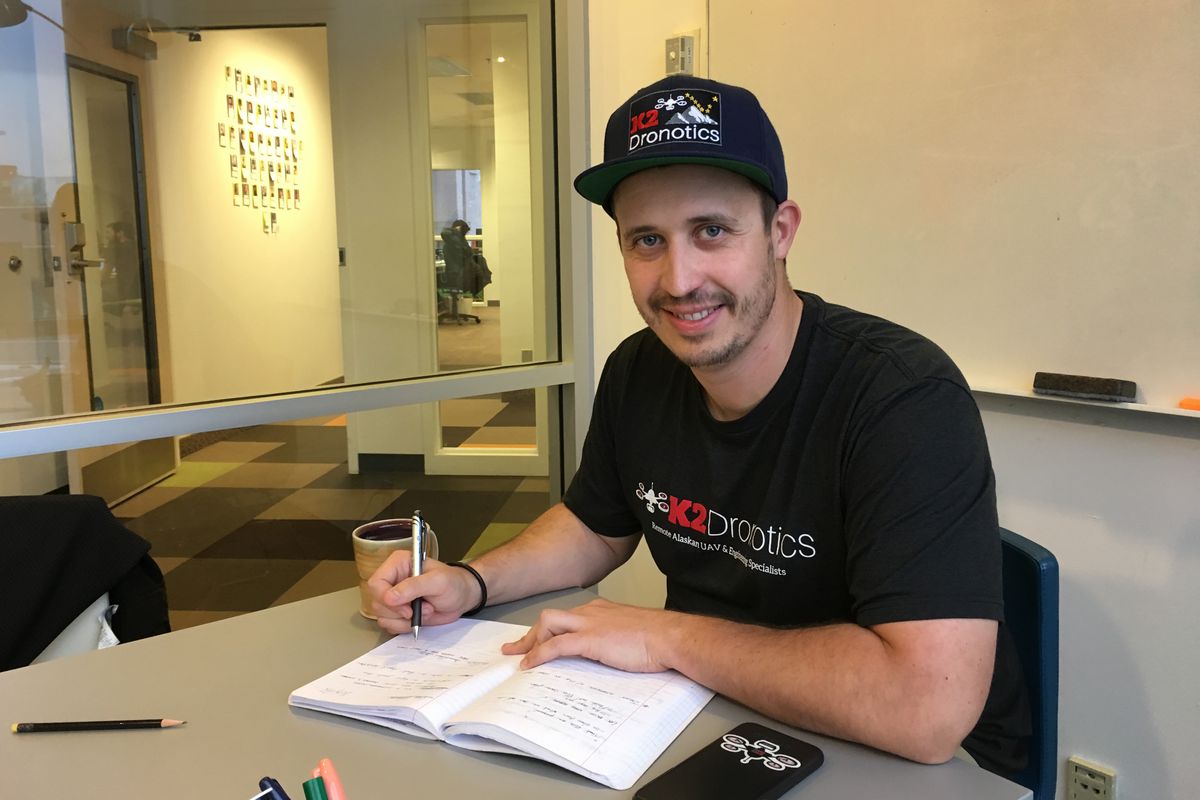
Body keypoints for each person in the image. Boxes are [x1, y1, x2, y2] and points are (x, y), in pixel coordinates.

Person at [368, 76, 1028, 775]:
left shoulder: (902, 399)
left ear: (780, 232)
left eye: (711, 231)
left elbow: (924, 712)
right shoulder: (640, 370)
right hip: (718, 714)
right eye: (647, 240)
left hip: (917, 766)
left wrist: (664, 637)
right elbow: (595, 524)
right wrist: (471, 582)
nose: (679, 279)